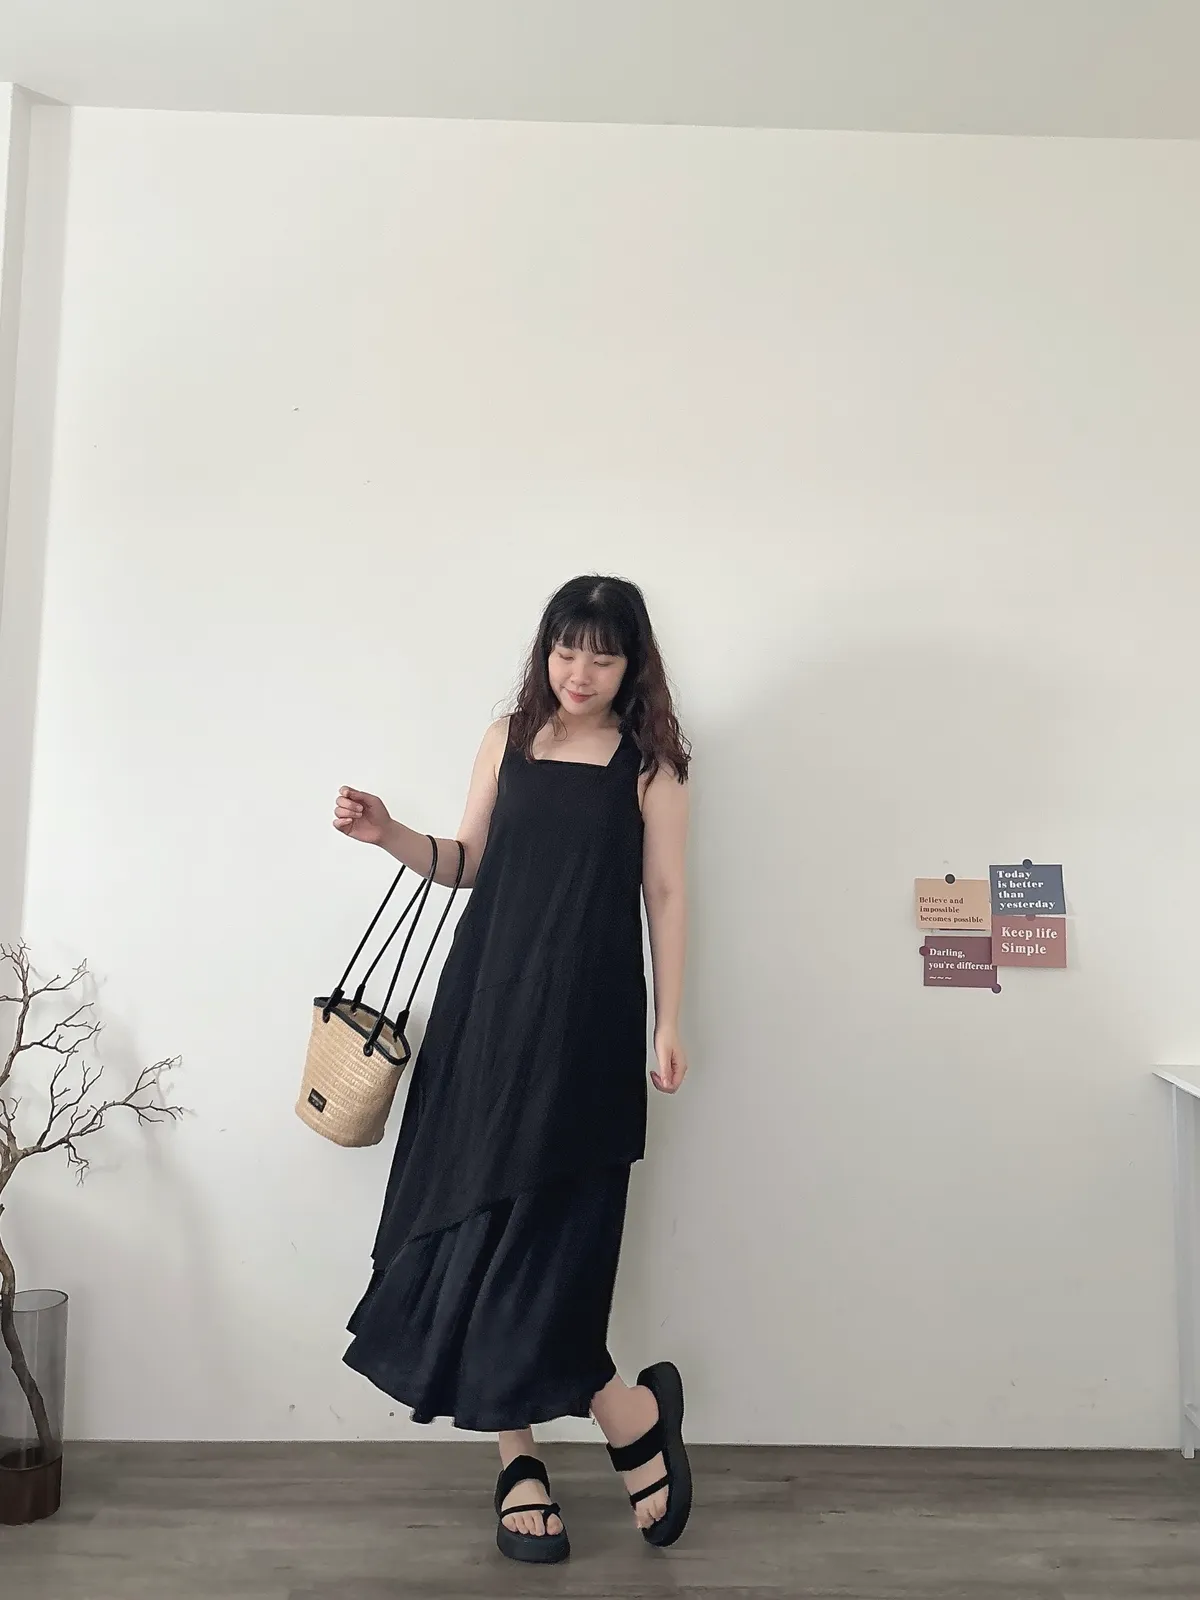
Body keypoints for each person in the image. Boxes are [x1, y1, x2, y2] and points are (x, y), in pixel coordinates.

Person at [332, 574, 692, 1563]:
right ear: (546, 651)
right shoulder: (508, 737)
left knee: (555, 1240)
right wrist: (388, 833)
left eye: (603, 656)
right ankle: (530, 1451)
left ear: (632, 664)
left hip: (587, 1025)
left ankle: (625, 1411)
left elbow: (666, 894)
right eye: (566, 650)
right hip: (484, 1016)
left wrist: (670, 1020)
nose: (580, 672)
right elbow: (470, 862)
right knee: (475, 1223)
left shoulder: (652, 765)